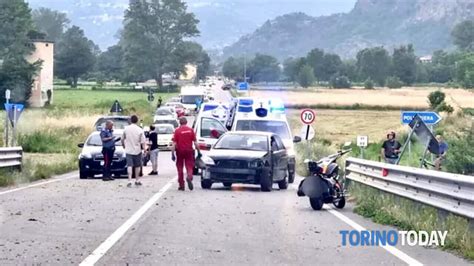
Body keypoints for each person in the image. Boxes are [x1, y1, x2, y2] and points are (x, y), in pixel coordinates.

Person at [172, 117, 201, 191]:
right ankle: (189, 177)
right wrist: (199, 151)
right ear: (186, 122)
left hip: (180, 151)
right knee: (189, 166)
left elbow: (174, 143)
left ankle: (181, 185)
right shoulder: (191, 130)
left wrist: (172, 153)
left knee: (180, 168)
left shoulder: (177, 131)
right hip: (189, 151)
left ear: (180, 123)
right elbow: (195, 142)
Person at [122, 115, 146, 187]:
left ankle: (129, 180)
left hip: (128, 150)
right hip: (137, 150)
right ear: (137, 121)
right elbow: (143, 141)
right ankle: (137, 179)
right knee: (137, 166)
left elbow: (122, 139)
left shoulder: (126, 129)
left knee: (129, 165)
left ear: (131, 120)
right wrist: (144, 150)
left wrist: (124, 145)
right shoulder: (140, 130)